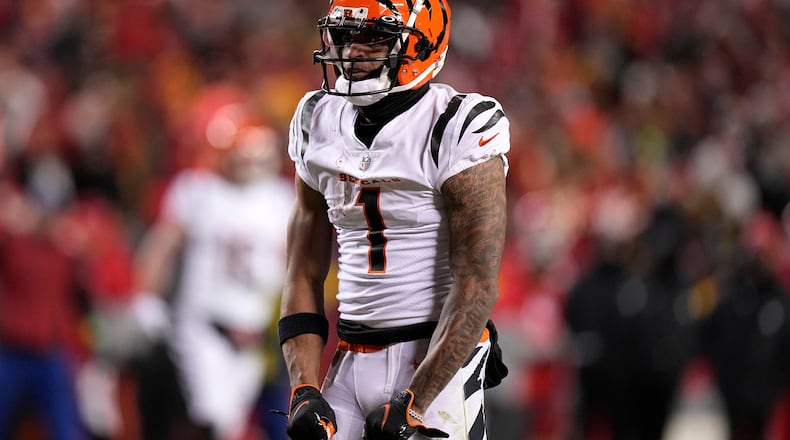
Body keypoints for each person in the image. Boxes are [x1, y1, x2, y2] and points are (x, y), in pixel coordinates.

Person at [277, 1, 510, 439]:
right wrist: (303, 386)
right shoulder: (315, 119)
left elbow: (477, 284)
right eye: (344, 36)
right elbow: (302, 273)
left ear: (422, 42)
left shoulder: (457, 123)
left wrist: (415, 401)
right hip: (349, 355)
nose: (351, 52)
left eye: (373, 37)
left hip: (435, 360)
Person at [128, 93, 295, 440]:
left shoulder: (281, 199)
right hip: (204, 326)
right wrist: (144, 295)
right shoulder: (198, 191)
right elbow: (162, 245)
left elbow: (296, 266)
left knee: (231, 425)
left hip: (254, 335)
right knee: (214, 420)